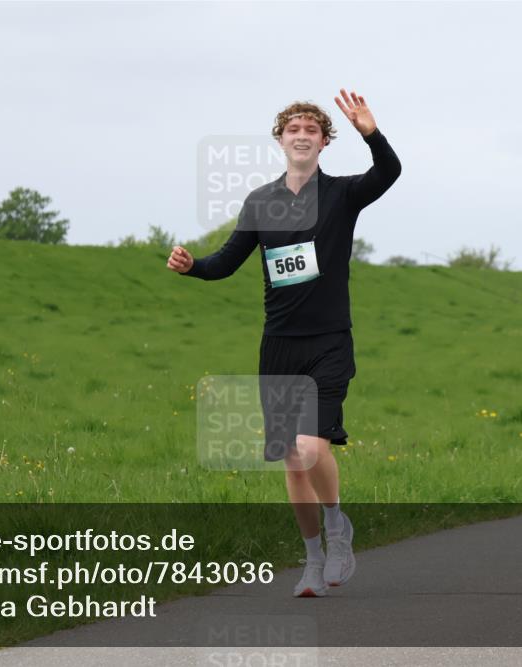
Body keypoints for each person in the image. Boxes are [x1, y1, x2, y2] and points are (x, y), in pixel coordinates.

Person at [167, 89, 402, 597]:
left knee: (310, 445)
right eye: (292, 129)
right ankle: (313, 559)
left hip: (329, 343)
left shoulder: (341, 194)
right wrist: (192, 268)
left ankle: (338, 528)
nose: (301, 136)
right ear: (280, 140)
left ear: (323, 143)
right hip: (279, 346)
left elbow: (388, 173)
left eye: (311, 130)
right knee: (292, 461)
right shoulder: (261, 202)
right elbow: (226, 263)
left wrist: (372, 133)